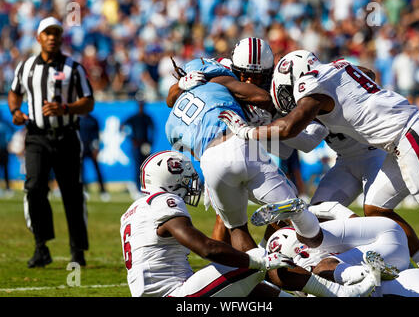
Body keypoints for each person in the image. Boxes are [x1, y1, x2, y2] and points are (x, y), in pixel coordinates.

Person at [219, 50, 419, 238]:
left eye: (286, 92)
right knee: (376, 209)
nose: (290, 100)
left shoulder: (312, 84)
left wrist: (247, 131)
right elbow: (366, 72)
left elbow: (290, 127)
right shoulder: (337, 67)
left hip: (409, 135)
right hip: (397, 142)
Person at [119, 150, 382, 297]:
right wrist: (259, 261)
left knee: (250, 286)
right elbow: (207, 248)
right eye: (187, 178)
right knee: (255, 259)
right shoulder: (164, 202)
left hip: (172, 292)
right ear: (171, 178)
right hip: (178, 296)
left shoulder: (132, 212)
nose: (192, 185)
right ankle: (342, 294)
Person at [165, 54, 298, 253]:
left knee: (235, 227)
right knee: (293, 209)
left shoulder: (170, 122)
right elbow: (262, 97)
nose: (250, 79)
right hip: (238, 142)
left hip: (209, 160)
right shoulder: (219, 80)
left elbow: (171, 101)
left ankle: (236, 273)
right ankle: (310, 263)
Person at [8, 17, 94, 267]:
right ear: (38, 37)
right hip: (36, 136)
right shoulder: (26, 67)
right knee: (34, 188)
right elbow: (14, 93)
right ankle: (40, 246)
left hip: (66, 135)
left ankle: (77, 251)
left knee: (72, 193)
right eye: (47, 33)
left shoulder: (73, 68)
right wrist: (15, 111)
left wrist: (65, 108)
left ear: (61, 37)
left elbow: (88, 101)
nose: (52, 37)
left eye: (56, 33)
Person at [266, 226, 419, 297]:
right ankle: (370, 273)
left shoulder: (321, 271)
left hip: (401, 288)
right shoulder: (331, 252)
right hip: (409, 277)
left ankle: (370, 274)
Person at [121, 100, 155, 199]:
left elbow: (153, 130)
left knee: (146, 167)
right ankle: (137, 187)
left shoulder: (147, 118)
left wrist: (150, 142)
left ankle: (146, 188)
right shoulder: (134, 117)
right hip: (136, 145)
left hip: (145, 145)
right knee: (137, 167)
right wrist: (131, 138)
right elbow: (122, 126)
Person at [79, 113, 110, 202]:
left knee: (97, 169)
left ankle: (103, 190)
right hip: (81, 148)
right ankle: (84, 190)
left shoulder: (93, 120)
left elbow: (97, 135)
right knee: (81, 171)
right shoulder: (78, 119)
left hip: (91, 149)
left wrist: (96, 148)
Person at [0, 110, 14, 197]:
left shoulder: (4, 124)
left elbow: (10, 133)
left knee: (5, 170)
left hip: (3, 149)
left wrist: (8, 141)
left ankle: (8, 187)